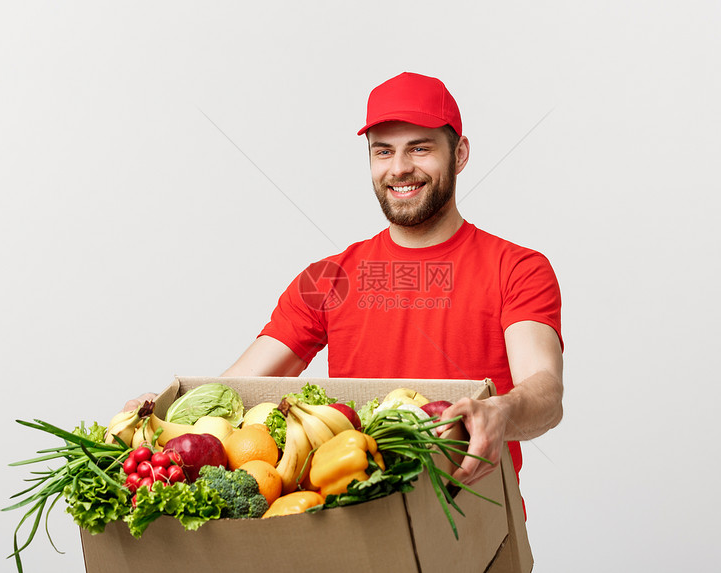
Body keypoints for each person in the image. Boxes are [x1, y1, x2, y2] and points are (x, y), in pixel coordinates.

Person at [128, 72, 564, 487]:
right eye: (383, 151)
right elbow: (236, 388)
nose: (399, 168)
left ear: (461, 154)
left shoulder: (517, 268)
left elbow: (545, 392)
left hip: (474, 530)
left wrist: (501, 411)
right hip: (358, 514)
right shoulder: (327, 278)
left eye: (419, 148)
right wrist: (159, 411)